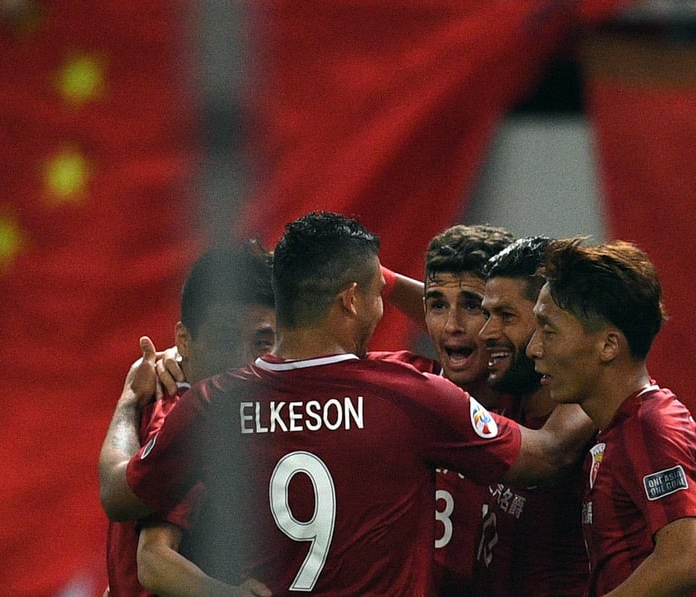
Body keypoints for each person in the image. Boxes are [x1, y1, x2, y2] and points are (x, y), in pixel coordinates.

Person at [101, 211, 591, 595]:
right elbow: (548, 455)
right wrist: (604, 368)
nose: (449, 322)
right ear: (353, 299)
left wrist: (128, 401)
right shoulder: (409, 396)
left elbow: (118, 495)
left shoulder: (213, 403)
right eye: (378, 293)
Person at [526, 237, 696, 596]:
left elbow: (689, 560)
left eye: (549, 330)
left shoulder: (651, 425)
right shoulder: (619, 431)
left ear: (608, 345)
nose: (534, 348)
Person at [101, 241, 275, 597]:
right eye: (226, 340)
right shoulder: (184, 416)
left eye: (262, 342)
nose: (245, 363)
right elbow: (153, 561)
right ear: (183, 340)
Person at [476, 236, 590, 596]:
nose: (486, 333)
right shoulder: (510, 392)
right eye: (486, 314)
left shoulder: (605, 415)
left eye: (506, 316)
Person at [420, 224, 516, 596]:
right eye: (437, 305)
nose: (452, 326)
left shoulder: (546, 407)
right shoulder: (397, 394)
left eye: (472, 306)